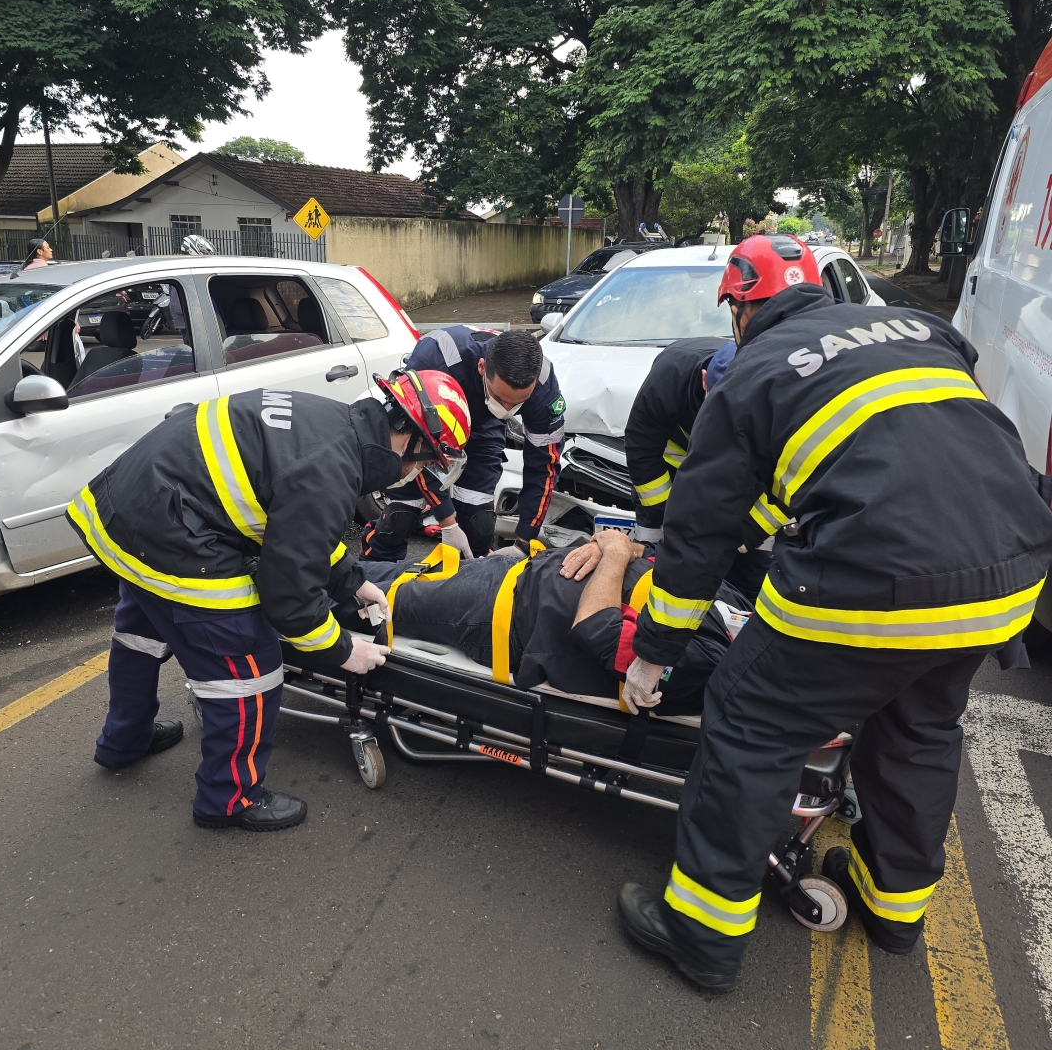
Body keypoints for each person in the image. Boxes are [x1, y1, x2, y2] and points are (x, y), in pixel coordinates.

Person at [616, 233, 1052, 990]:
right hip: (1009, 570)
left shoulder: (749, 374)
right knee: (917, 729)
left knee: (751, 720)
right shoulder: (924, 329)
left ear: (740, 308)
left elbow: (700, 533)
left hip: (876, 576)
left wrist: (654, 654)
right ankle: (895, 911)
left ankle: (702, 934)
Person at [66, 370, 471, 831]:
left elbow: (293, 526)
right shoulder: (333, 468)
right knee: (249, 666)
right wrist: (341, 650)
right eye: (428, 462)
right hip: (171, 531)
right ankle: (228, 799)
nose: (421, 473)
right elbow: (289, 595)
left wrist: (352, 581)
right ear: (408, 442)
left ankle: (124, 741)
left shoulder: (332, 422)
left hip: (125, 508)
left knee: (142, 633)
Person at [354, 529, 750, 714]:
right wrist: (619, 547)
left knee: (364, 593)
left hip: (502, 614)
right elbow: (653, 555)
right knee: (376, 572)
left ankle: (297, 599)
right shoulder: (734, 607)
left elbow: (595, 628)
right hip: (519, 574)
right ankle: (303, 565)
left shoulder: (706, 663)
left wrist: (614, 553)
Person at [361, 327, 565, 562]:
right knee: (400, 517)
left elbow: (545, 465)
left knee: (478, 523)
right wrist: (447, 521)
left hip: (483, 427)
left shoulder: (544, 387)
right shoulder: (436, 359)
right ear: (482, 368)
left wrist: (524, 541)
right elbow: (419, 445)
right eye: (500, 399)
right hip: (426, 427)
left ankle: (467, 589)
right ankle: (373, 575)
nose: (508, 410)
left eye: (517, 403)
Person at [624, 336, 781, 598]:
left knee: (751, 573)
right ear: (705, 379)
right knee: (653, 562)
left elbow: (784, 479)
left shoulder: (776, 394)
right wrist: (668, 520)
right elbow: (641, 448)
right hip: (670, 472)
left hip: (741, 483)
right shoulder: (669, 377)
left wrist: (745, 536)